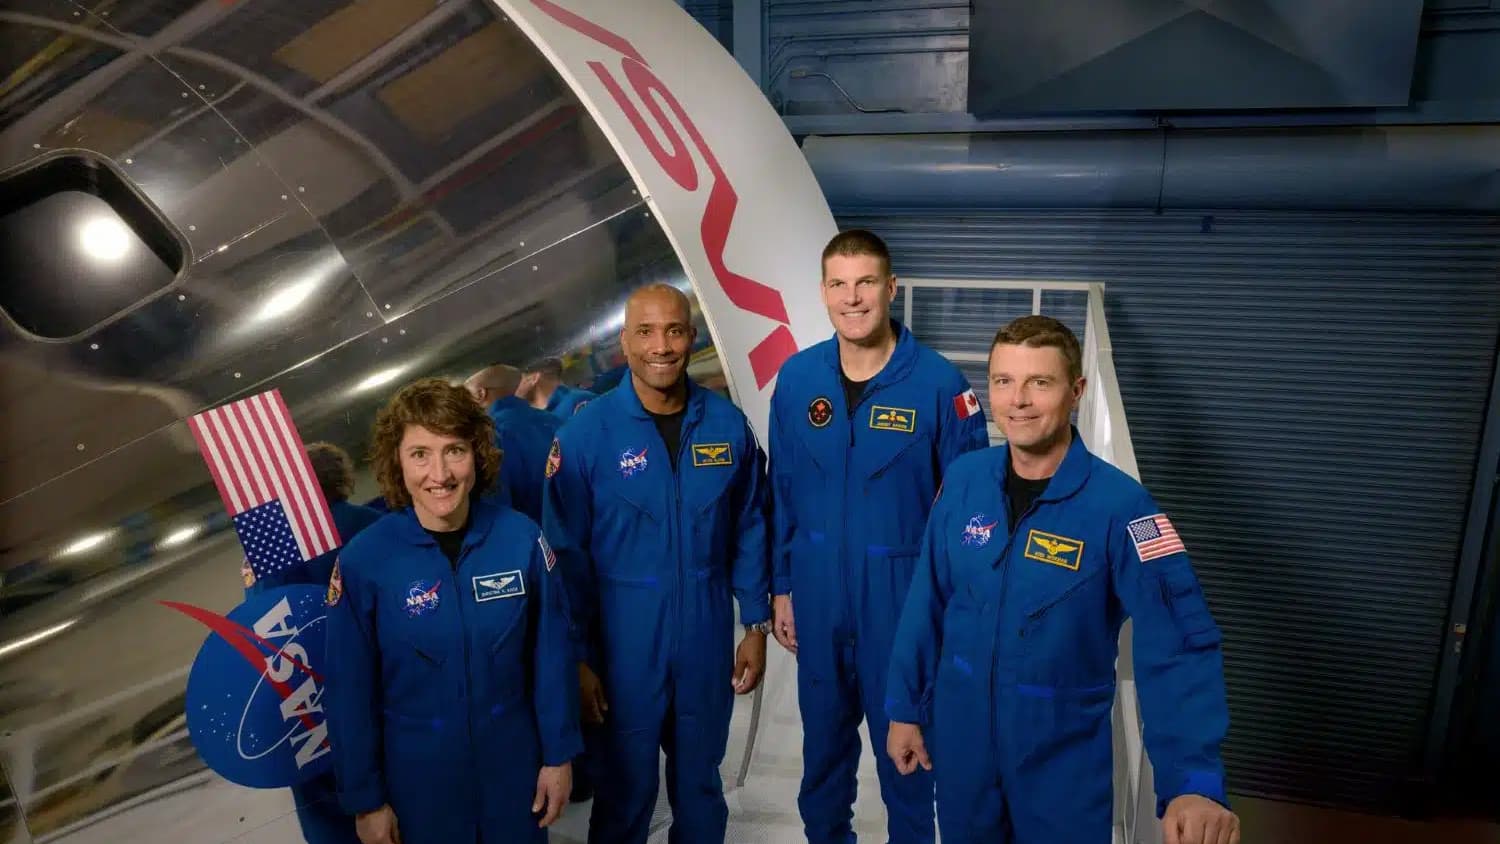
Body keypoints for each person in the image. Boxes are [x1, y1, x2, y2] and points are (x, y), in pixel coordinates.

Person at [885, 315, 1240, 844]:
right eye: (1004, 381)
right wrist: (905, 708)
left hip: (1061, 766)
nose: (1018, 400)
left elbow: (1181, 643)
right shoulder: (963, 480)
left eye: (1039, 382)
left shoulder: (1123, 509)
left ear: (1076, 390)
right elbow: (927, 600)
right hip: (964, 751)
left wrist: (1193, 781)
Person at [767, 228, 989, 844]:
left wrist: (954, 612)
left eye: (866, 282)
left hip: (903, 608)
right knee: (823, 763)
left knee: (909, 764)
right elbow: (780, 488)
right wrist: (782, 586)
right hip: (817, 599)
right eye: (839, 284)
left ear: (890, 288)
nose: (853, 297)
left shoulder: (942, 387)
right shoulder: (796, 380)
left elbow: (971, 515)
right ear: (823, 293)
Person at [542, 283, 771, 844]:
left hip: (705, 631)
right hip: (622, 644)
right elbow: (561, 559)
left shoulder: (725, 425)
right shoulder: (585, 437)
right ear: (625, 341)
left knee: (699, 785)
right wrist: (576, 658)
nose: (661, 345)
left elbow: (751, 525)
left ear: (692, 337)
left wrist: (756, 622)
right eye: (645, 331)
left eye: (673, 330)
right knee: (625, 789)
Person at [324, 378, 580, 844]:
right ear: (396, 462)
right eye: (420, 453)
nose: (439, 474)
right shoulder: (364, 562)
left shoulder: (520, 539)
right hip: (419, 780)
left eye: (454, 450)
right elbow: (348, 691)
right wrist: (366, 800)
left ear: (476, 455)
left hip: (513, 764)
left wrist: (558, 756)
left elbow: (552, 655)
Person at [244, 442, 381, 844]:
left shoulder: (272, 546)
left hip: (308, 700)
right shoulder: (373, 525)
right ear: (342, 479)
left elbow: (260, 622)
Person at [465, 363, 563, 523]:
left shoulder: (489, 436)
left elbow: (495, 510)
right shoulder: (554, 421)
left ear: (480, 394)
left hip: (535, 539)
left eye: (465, 397)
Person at [519, 356, 597, 419]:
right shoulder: (535, 418)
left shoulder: (577, 402)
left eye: (518, 379)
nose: (513, 387)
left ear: (533, 378)